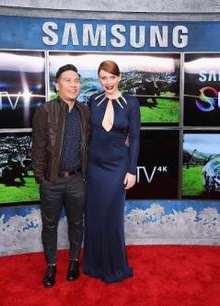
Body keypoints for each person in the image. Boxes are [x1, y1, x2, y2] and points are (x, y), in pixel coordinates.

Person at [32, 64, 91, 288]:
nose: (73, 84)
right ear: (57, 85)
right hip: (51, 181)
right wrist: (41, 177)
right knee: (49, 226)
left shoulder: (84, 111)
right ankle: (51, 266)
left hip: (77, 179)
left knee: (77, 223)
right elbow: (38, 147)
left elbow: (89, 144)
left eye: (76, 80)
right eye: (68, 80)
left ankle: (74, 261)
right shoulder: (45, 110)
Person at [82, 60, 141, 283]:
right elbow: (87, 136)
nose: (107, 82)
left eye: (111, 77)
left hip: (118, 167)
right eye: (103, 78)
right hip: (95, 168)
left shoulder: (131, 103)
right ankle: (94, 264)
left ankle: (114, 266)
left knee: (112, 216)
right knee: (95, 216)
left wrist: (132, 170)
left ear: (119, 78)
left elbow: (135, 138)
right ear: (99, 79)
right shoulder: (93, 101)